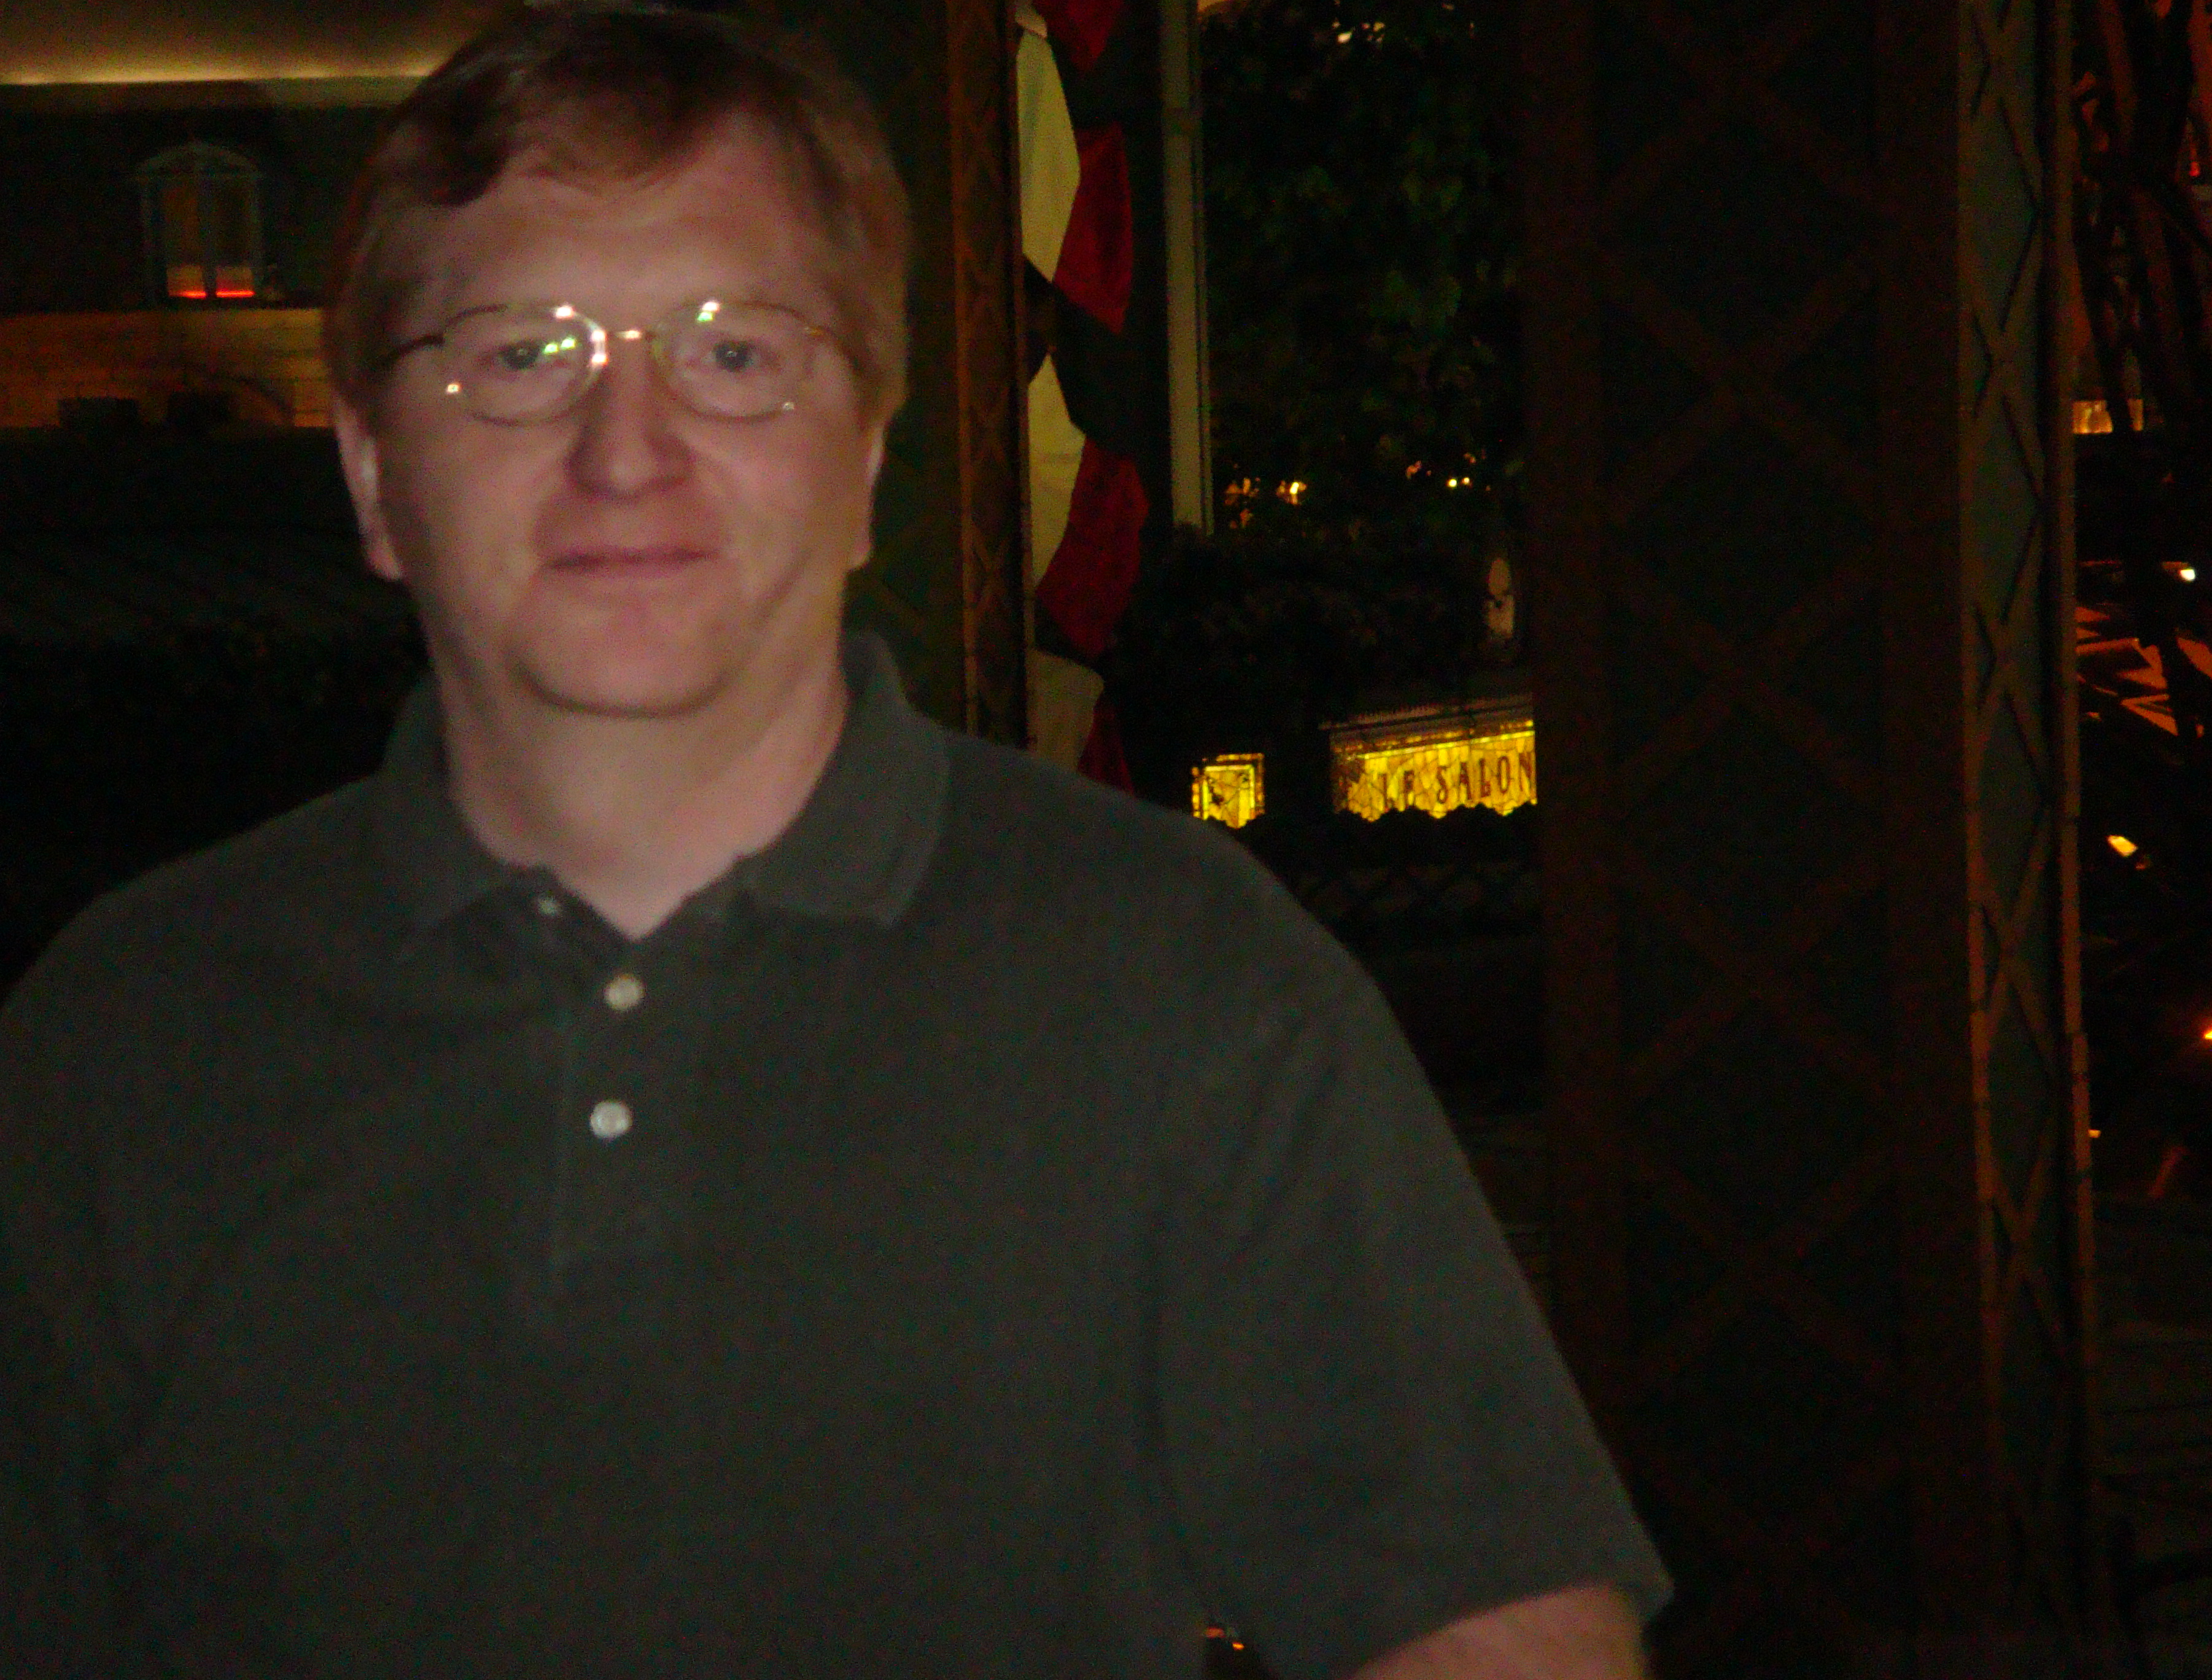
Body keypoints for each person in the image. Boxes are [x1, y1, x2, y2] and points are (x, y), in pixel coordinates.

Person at [0, 7, 1667, 1676]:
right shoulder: (124, 1036)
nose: (626, 453)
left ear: (866, 452)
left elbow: (1501, 1633)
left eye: (734, 355)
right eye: (520, 356)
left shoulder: (1187, 981)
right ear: (374, 475)